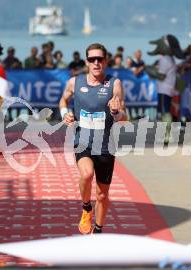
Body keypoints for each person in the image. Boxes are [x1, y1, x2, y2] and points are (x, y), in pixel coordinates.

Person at [59, 43, 126, 234]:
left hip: (105, 145)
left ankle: (98, 230)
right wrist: (65, 113)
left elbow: (124, 117)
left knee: (103, 194)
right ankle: (86, 207)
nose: (96, 63)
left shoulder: (115, 84)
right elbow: (63, 100)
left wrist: (115, 112)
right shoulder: (75, 82)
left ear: (106, 61)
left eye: (100, 59)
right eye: (92, 59)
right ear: (86, 61)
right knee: (86, 175)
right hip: (83, 141)